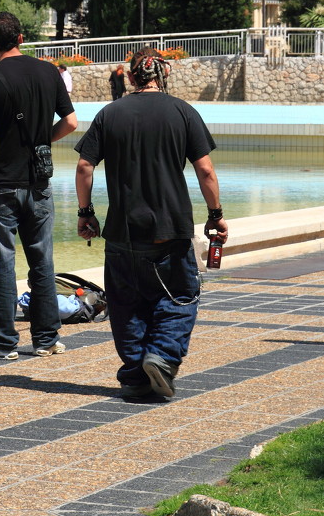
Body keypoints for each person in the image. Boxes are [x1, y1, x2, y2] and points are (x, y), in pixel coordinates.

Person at [75, 46, 228, 400]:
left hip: (122, 233)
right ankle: (161, 355)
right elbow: (205, 170)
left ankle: (134, 376)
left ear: (130, 77)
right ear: (165, 74)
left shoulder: (109, 114)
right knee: (180, 297)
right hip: (169, 231)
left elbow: (85, 167)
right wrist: (215, 215)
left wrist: (86, 213)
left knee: (126, 305)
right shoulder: (183, 112)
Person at [0, 11, 77, 360]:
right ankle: (46, 339)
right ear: (22, 38)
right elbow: (71, 122)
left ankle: (2, 342)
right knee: (41, 262)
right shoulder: (48, 72)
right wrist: (44, 139)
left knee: (2, 265)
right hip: (39, 182)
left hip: (0, 184)